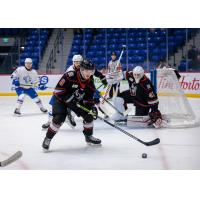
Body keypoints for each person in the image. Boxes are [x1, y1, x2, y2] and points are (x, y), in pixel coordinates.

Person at [42, 60, 101, 151]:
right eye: (86, 70)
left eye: (91, 71)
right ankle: (48, 138)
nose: (89, 73)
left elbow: (88, 99)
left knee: (89, 117)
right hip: (60, 100)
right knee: (59, 118)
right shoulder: (70, 76)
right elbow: (58, 92)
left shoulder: (90, 83)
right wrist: (70, 99)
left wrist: (91, 108)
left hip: (76, 102)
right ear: (81, 70)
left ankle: (88, 137)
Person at [41, 54, 108, 129]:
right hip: (67, 91)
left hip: (82, 89)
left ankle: (72, 115)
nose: (78, 64)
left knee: (82, 103)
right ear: (73, 62)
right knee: (55, 104)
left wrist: (102, 78)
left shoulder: (85, 67)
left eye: (79, 62)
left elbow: (95, 72)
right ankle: (50, 122)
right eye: (76, 62)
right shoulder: (70, 71)